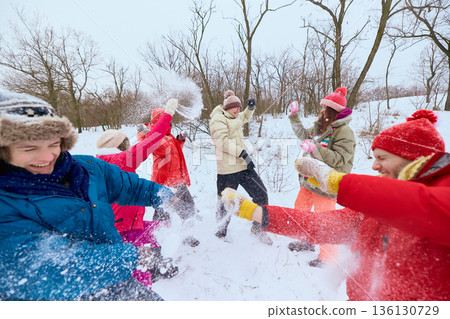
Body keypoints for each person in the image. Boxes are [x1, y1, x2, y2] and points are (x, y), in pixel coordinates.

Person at [221, 110, 450, 300]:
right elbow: (319, 225)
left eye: (382, 158)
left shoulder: (441, 196)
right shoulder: (378, 207)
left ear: (412, 157)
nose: (375, 166)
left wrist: (339, 182)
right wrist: (255, 212)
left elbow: (425, 209)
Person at [0, 91, 178, 301]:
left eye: (53, 144)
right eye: (29, 148)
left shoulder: (87, 167)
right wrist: (133, 257)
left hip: (120, 282)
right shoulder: (6, 202)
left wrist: (163, 196)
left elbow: (129, 186)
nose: (46, 157)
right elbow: (50, 265)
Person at [95, 98, 180, 288]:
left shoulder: (95, 165)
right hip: (127, 229)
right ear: (120, 146)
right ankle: (144, 286)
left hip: (117, 225)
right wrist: (168, 113)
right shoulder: (124, 160)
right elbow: (154, 138)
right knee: (140, 274)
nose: (128, 145)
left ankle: (158, 268)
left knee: (156, 231)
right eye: (125, 143)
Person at [287, 87, 355, 267]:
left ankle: (328, 257)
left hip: (326, 184)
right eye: (322, 107)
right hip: (310, 180)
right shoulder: (321, 126)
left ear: (333, 111)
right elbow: (304, 134)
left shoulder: (344, 132)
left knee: (325, 221)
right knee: (300, 209)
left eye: (325, 108)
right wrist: (294, 116)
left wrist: (315, 149)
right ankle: (306, 241)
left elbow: (340, 160)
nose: (322, 110)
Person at [209, 90, 272, 245]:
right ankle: (221, 232)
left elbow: (243, 117)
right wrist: (243, 153)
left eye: (239, 107)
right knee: (225, 202)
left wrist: (250, 109)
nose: (238, 111)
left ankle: (258, 227)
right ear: (227, 108)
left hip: (243, 167)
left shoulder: (234, 117)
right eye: (235, 108)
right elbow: (221, 141)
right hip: (227, 170)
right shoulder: (218, 119)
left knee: (261, 194)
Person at [137, 107, 199, 247]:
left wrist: (180, 140)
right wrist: (148, 134)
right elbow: (159, 148)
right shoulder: (154, 137)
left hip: (177, 180)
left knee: (190, 207)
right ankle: (158, 239)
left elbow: (173, 152)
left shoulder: (169, 136)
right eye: (166, 119)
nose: (169, 121)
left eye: (169, 119)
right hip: (163, 182)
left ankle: (187, 235)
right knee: (162, 213)